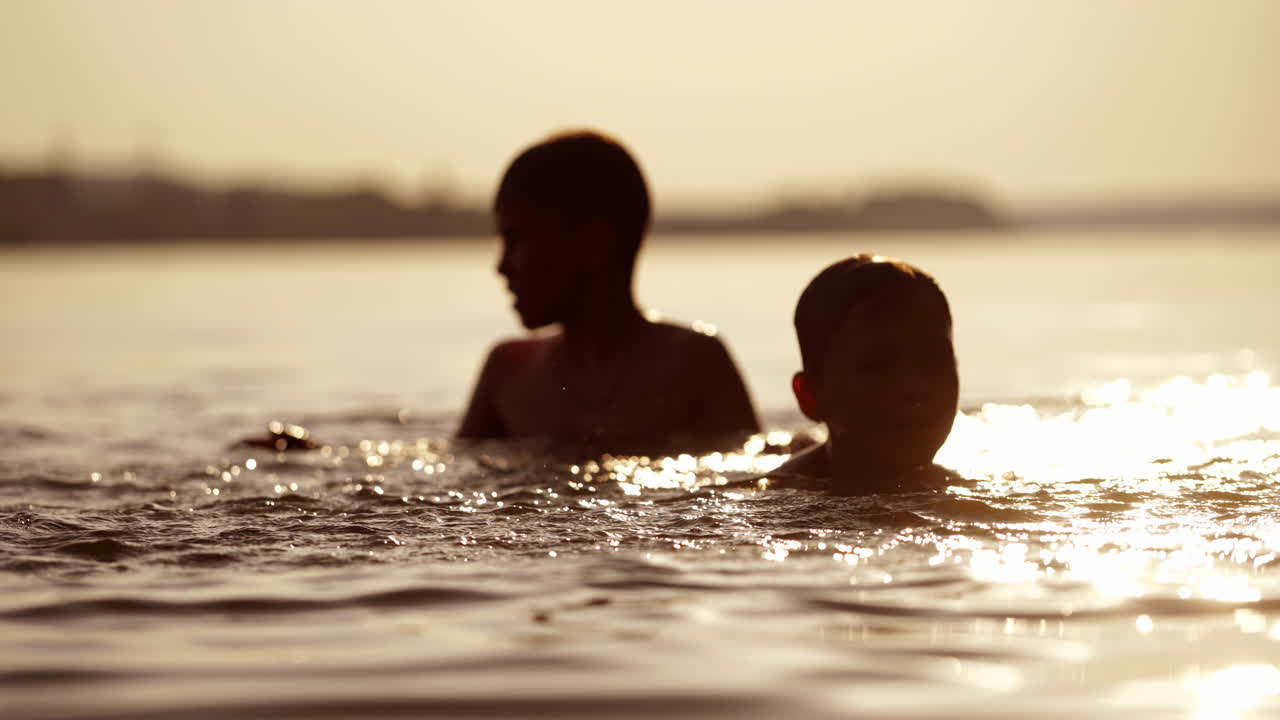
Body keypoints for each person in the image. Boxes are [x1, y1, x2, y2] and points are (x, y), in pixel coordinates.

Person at [457, 130, 759, 448]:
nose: (502, 266)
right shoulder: (508, 372)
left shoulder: (694, 363)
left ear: (594, 244)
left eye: (518, 239)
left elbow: (750, 489)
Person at [769, 254, 959, 494]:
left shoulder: (968, 491)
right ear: (810, 396)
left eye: (933, 360)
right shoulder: (779, 502)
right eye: (877, 366)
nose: (911, 387)